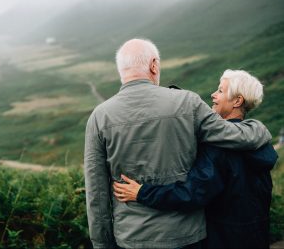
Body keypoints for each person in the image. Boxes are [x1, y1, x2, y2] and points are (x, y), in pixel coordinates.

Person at [84, 39, 271, 249]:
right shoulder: (188, 103)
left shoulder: (99, 117)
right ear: (154, 65)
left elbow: (96, 193)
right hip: (188, 236)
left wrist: (102, 244)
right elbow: (233, 135)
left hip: (130, 237)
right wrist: (259, 128)